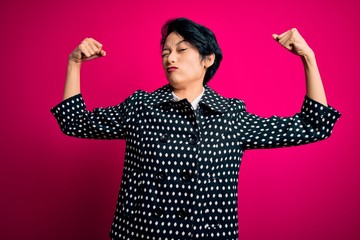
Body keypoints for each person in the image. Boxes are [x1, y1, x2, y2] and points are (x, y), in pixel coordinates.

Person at [51, 18, 341, 240]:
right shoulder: (141, 107)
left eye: (181, 50)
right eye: (165, 52)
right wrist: (74, 64)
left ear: (208, 59)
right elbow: (74, 121)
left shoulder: (231, 116)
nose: (170, 58)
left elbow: (313, 126)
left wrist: (308, 59)